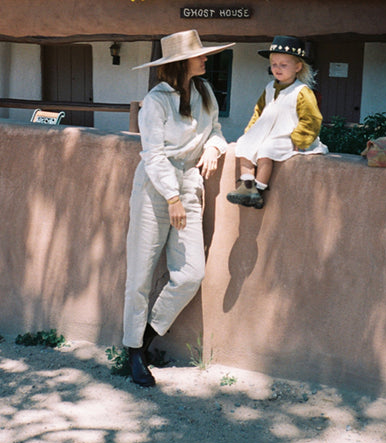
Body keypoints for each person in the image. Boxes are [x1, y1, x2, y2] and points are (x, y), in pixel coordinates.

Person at [123, 29, 234, 387]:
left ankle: (147, 338)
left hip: (189, 184)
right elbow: (152, 154)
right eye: (199, 55)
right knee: (140, 274)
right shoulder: (155, 101)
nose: (205, 58)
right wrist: (171, 197)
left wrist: (215, 148)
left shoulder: (203, 92)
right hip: (156, 189)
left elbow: (216, 129)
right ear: (180, 63)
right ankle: (133, 354)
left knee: (190, 274)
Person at [227, 35, 326, 209]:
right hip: (266, 132)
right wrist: (250, 131)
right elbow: (259, 111)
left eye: (283, 65)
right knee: (245, 145)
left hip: (287, 136)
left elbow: (311, 118)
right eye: (274, 64)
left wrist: (300, 139)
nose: (277, 68)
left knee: (267, 149)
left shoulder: (301, 91)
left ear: (298, 66)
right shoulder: (269, 87)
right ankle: (247, 185)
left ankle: (258, 190)